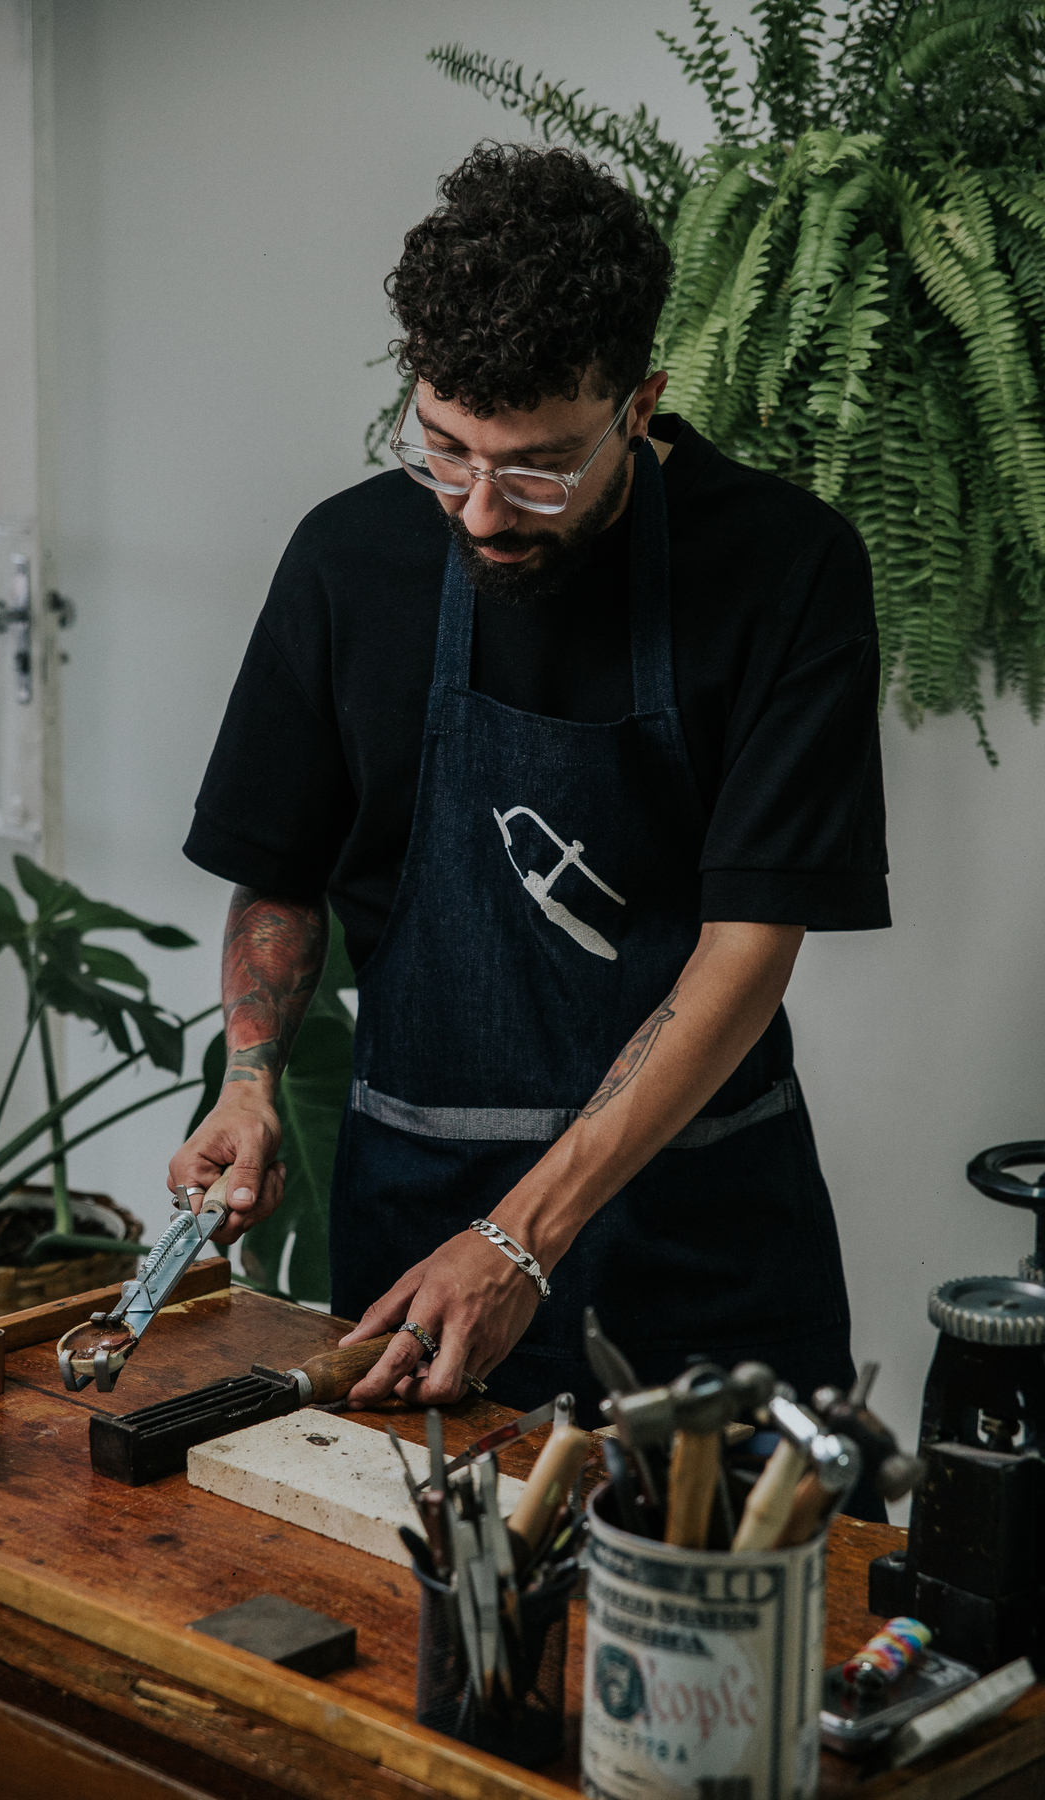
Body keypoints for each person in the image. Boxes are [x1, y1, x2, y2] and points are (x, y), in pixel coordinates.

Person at [171, 143, 890, 1435]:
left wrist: (518, 1242)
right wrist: (251, 1077)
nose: (485, 513)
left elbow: (749, 948)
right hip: (413, 1223)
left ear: (641, 401)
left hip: (703, 1233)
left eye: (542, 467)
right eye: (445, 451)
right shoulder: (350, 562)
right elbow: (280, 867)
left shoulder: (785, 571)